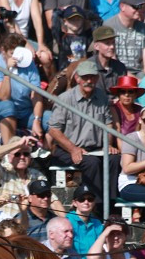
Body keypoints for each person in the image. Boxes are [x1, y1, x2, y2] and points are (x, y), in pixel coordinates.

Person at [48, 60, 113, 201]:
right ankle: (97, 205)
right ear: (77, 78)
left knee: (114, 159)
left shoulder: (101, 96)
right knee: (92, 163)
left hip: (95, 147)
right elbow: (53, 130)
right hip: (66, 149)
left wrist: (109, 145)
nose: (89, 81)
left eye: (92, 77)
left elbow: (108, 124)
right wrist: (73, 149)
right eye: (85, 77)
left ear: (97, 78)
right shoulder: (65, 99)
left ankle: (112, 202)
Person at [0, 33, 44, 145]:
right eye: (12, 54)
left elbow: (36, 94)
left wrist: (37, 120)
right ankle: (10, 153)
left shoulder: (29, 64)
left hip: (23, 112)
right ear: (3, 51)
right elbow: (3, 97)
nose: (17, 58)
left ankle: (48, 156)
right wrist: (7, 71)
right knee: (8, 106)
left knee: (49, 118)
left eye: (19, 54)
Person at [104, 0, 145, 76]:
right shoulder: (109, 26)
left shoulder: (143, 28)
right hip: (117, 73)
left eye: (141, 6)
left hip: (139, 73)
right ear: (122, 7)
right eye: (135, 6)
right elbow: (112, 61)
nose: (139, 10)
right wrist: (133, 79)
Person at [66, 183, 103, 256]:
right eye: (81, 199)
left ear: (94, 202)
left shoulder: (97, 223)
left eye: (90, 199)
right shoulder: (67, 221)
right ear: (74, 203)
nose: (86, 202)